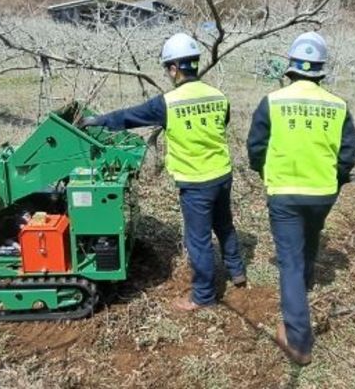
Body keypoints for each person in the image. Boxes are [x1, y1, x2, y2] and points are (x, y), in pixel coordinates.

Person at [81, 33, 246, 312]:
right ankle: (237, 271)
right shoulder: (219, 96)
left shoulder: (168, 103)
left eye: (168, 68)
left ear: (173, 68)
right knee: (224, 224)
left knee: (198, 240)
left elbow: (129, 116)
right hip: (222, 175)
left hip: (195, 182)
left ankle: (203, 296)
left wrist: (97, 121)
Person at [246, 32, 355, 365]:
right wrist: (333, 183)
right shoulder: (338, 106)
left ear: (290, 67)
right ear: (321, 71)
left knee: (289, 262)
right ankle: (305, 285)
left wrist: (267, 174)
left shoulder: (272, 101)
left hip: (285, 192)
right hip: (323, 192)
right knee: (312, 235)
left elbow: (256, 148)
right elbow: (347, 157)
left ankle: (298, 341)